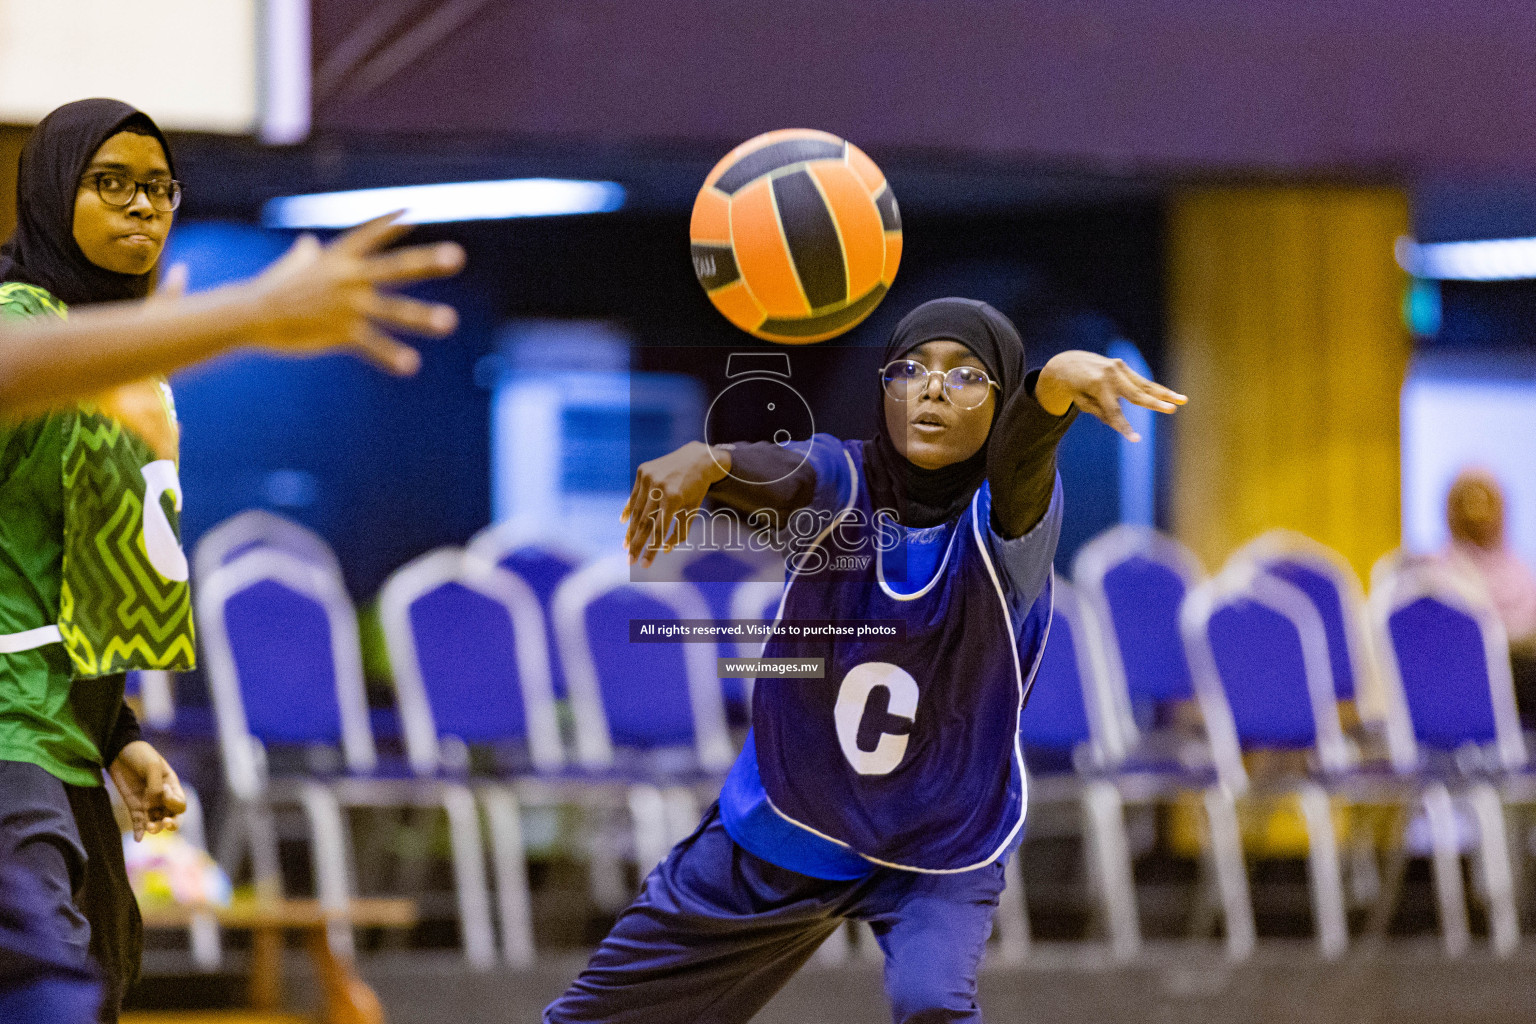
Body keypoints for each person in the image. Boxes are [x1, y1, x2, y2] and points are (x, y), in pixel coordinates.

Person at [546, 298, 1184, 1024]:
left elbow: (1023, 463)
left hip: (939, 837)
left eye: (968, 375)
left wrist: (1054, 390)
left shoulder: (1011, 526)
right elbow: (788, 475)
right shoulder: (839, 478)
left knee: (932, 1004)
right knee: (594, 1018)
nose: (933, 388)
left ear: (1004, 402)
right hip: (796, 814)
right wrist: (711, 460)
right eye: (909, 370)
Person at [1441, 467, 1536, 722]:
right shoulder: (1439, 574)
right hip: (1476, 679)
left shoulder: (1520, 569)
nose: (1477, 512)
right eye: (1469, 502)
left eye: (1485, 502)